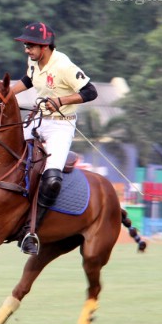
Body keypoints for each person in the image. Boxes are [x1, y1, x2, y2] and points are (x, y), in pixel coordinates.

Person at [9, 22, 97, 255]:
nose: (26, 49)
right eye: (25, 45)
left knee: (51, 179)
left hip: (60, 125)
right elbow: (28, 80)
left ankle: (33, 230)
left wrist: (61, 100)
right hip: (38, 120)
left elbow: (91, 91)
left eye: (30, 45)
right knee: (9, 153)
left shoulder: (64, 65)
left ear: (45, 46)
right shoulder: (34, 61)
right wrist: (4, 93)